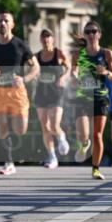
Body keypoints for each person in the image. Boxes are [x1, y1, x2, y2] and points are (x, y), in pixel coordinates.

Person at [0, 10, 39, 176]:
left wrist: (25, 79)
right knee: (1, 125)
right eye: (0, 21)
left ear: (12, 25)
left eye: (6, 21)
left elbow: (36, 67)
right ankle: (9, 162)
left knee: (20, 130)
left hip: (17, 92)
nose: (2, 23)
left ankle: (12, 151)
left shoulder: (20, 45)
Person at [70, 20, 112, 180]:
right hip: (83, 97)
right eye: (88, 32)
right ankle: (84, 144)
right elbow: (73, 71)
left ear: (99, 34)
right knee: (83, 134)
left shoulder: (106, 54)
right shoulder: (78, 54)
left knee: (97, 135)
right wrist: (74, 76)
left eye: (94, 31)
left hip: (100, 97)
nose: (91, 34)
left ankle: (96, 169)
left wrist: (105, 72)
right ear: (85, 35)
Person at [34, 28, 70, 169]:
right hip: (41, 93)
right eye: (43, 37)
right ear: (40, 40)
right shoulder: (36, 56)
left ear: (52, 39)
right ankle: (52, 157)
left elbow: (69, 68)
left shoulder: (59, 53)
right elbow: (31, 69)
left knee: (54, 124)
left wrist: (62, 78)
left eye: (48, 37)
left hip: (56, 93)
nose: (46, 39)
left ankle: (62, 137)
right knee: (45, 127)